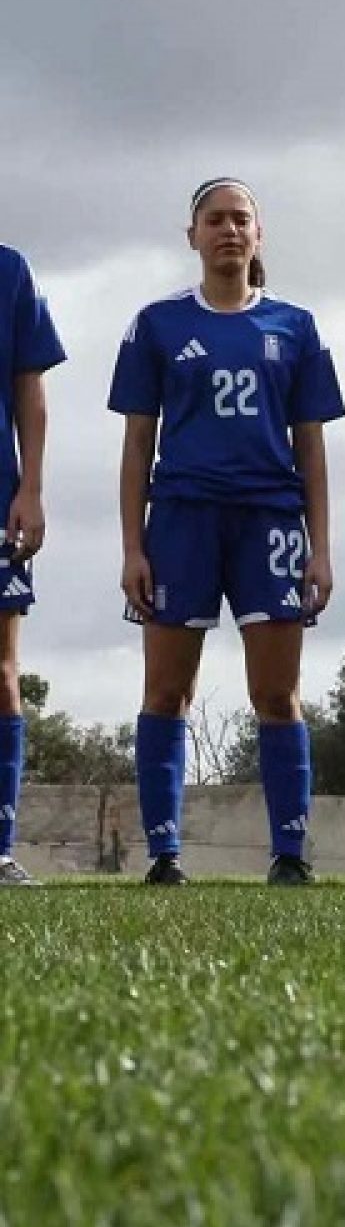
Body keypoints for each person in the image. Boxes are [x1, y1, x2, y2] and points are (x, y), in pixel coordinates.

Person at [110, 179, 344, 885]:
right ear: (193, 235)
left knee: (276, 692)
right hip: (182, 518)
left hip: (270, 519)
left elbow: (312, 447)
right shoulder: (157, 324)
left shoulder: (296, 327)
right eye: (215, 220)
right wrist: (132, 546)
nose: (229, 230)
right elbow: (137, 444)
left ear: (258, 234)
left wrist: (321, 548)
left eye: (241, 219)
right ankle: (164, 855)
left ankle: (291, 855)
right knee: (166, 691)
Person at [0, 246, 66, 884]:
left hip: (0, 493)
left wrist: (31, 488)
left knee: (1, 670)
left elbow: (30, 387)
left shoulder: (10, 270)